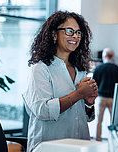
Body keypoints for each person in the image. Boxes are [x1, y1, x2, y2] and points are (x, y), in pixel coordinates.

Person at [22, 11, 98, 152]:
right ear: (54, 34)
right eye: (69, 31)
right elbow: (43, 110)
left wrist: (88, 103)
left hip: (79, 146)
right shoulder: (40, 69)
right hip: (49, 147)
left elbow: (83, 117)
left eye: (78, 33)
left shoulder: (80, 70)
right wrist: (79, 94)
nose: (75, 36)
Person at [93, 48, 118, 141]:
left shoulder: (99, 68)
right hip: (113, 98)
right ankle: (113, 139)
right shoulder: (117, 69)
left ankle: (97, 139)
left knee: (99, 121)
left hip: (101, 98)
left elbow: (94, 83)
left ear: (104, 56)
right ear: (112, 56)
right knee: (113, 121)